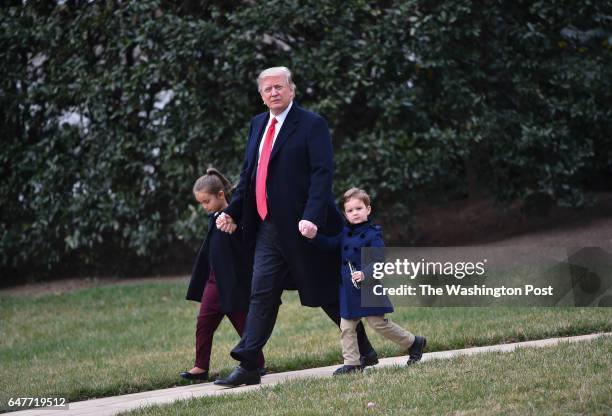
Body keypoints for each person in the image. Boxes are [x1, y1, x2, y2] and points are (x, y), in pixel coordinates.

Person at [214, 66, 377, 386]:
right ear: (261, 96)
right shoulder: (258, 125)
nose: (273, 92)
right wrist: (233, 211)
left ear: (291, 90)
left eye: (279, 87)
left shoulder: (312, 124)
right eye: (267, 89)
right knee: (261, 291)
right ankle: (248, 364)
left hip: (306, 227)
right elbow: (250, 175)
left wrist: (312, 216)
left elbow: (322, 173)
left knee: (326, 291)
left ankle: (364, 351)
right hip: (267, 227)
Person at [311, 187, 427, 374]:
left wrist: (365, 273)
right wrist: (314, 236)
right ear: (345, 214)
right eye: (350, 210)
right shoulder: (344, 233)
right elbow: (330, 245)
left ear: (368, 210)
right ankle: (352, 363)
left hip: (369, 286)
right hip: (349, 289)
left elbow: (379, 261)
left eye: (358, 208)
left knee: (377, 323)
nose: (355, 213)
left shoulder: (374, 235)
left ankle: (414, 342)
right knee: (347, 326)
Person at [181, 167, 264, 382]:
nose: (204, 207)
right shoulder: (213, 218)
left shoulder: (235, 219)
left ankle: (256, 363)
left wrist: (236, 227)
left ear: (220, 195)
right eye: (201, 203)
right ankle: (200, 366)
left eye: (206, 202)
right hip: (213, 282)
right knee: (203, 324)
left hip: (234, 284)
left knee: (243, 324)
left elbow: (247, 245)